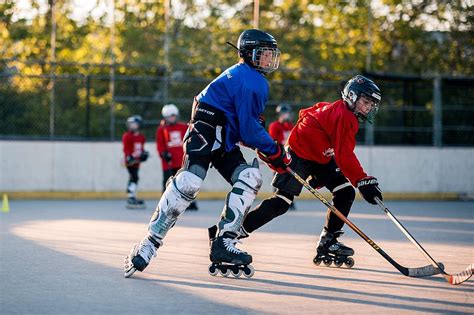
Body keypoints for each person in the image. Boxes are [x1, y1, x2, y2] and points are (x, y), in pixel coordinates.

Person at [124, 29, 291, 278]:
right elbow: (250, 129)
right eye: (263, 54)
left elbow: (246, 129)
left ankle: (223, 242)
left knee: (250, 178)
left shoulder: (247, 77)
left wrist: (266, 148)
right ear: (247, 53)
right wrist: (275, 151)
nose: (268, 59)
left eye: (270, 54)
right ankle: (148, 244)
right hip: (206, 130)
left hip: (223, 138)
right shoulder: (253, 80)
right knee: (189, 181)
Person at [241, 75, 384, 268]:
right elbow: (344, 156)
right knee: (282, 203)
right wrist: (362, 181)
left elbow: (310, 113)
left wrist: (356, 179)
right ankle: (233, 231)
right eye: (365, 102)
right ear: (351, 96)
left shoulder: (339, 110)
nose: (368, 107)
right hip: (299, 154)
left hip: (319, 156)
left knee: (345, 191)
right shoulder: (345, 116)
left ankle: (328, 241)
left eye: (371, 104)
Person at [156, 104, 198, 211]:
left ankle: (187, 203)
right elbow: (160, 146)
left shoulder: (183, 127)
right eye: (170, 116)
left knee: (185, 183)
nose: (172, 118)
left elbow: (189, 139)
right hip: (168, 162)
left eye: (174, 116)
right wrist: (164, 154)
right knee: (168, 183)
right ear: (165, 117)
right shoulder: (162, 130)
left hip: (182, 161)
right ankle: (166, 203)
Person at [268, 103, 296, 210]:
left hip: (289, 156)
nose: (288, 116)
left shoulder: (290, 126)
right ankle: (276, 200)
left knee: (290, 179)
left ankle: (289, 201)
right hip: (279, 156)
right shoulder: (275, 126)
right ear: (281, 114)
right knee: (278, 178)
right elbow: (273, 141)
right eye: (286, 114)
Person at [122, 115, 149, 209]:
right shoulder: (127, 136)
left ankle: (132, 195)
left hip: (137, 161)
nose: (132, 126)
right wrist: (129, 157)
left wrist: (144, 154)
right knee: (134, 177)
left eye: (134, 124)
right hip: (130, 161)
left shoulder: (142, 137)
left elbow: (141, 149)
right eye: (131, 124)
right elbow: (126, 149)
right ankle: (130, 196)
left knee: (135, 177)